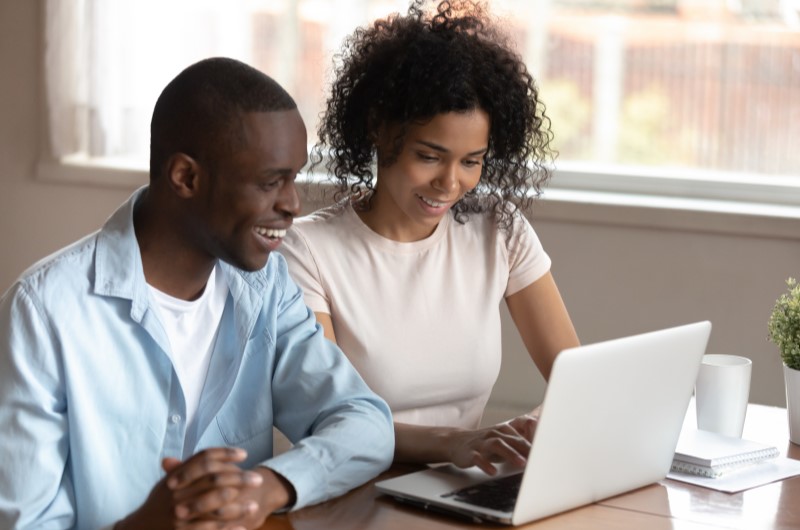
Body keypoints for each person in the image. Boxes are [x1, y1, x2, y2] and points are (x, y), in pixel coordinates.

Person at [0, 57, 394, 530]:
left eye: (294, 178)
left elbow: (365, 423)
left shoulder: (266, 286)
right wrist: (145, 525)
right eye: (271, 182)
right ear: (186, 177)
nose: (292, 205)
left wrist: (264, 488)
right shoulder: (44, 311)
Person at [279, 0, 579, 476]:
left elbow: (576, 380)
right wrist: (457, 444)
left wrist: (533, 428)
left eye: (471, 161)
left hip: (461, 486)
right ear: (379, 129)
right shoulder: (308, 252)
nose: (450, 183)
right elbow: (334, 419)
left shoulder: (498, 230)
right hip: (356, 491)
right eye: (429, 155)